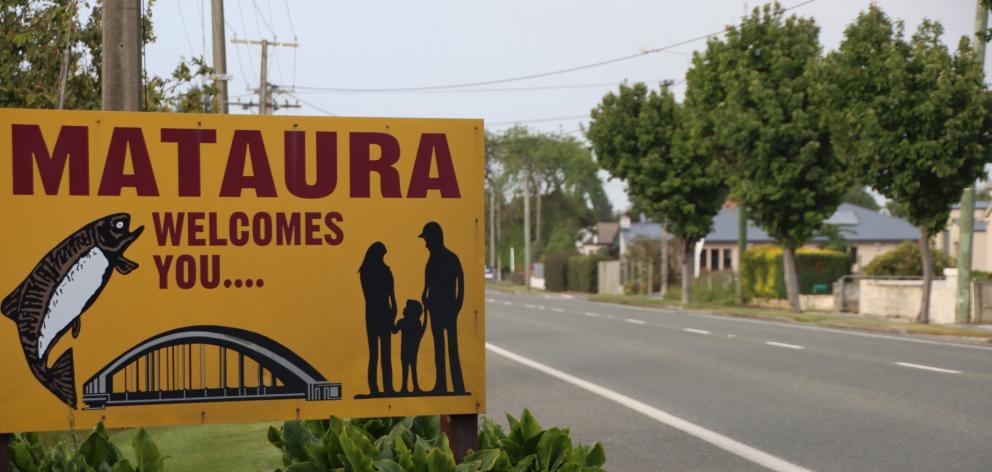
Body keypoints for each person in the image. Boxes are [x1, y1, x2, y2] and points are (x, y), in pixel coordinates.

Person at [419, 222, 465, 394]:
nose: (426, 243)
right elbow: (428, 283)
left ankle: (457, 385)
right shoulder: (432, 259)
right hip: (434, 309)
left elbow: (461, 282)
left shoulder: (450, 258)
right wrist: (425, 296)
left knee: (451, 348)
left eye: (427, 239)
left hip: (448, 309)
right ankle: (441, 385)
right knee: (439, 348)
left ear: (434, 238)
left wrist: (458, 305)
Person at [358, 242, 397, 396]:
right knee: (377, 353)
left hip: (376, 314)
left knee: (379, 353)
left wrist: (393, 312)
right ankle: (377, 389)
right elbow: (390, 297)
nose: (383, 258)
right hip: (378, 313)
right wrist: (392, 312)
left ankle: (385, 389)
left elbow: (392, 297)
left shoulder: (367, 271)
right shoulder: (373, 272)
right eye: (382, 255)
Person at [392, 299, 428, 393]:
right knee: (411, 368)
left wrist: (391, 318)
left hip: (407, 350)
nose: (404, 309)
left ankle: (410, 387)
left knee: (407, 368)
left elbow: (394, 330)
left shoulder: (404, 322)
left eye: (406, 308)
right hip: (410, 350)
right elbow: (421, 332)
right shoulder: (414, 323)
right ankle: (408, 387)